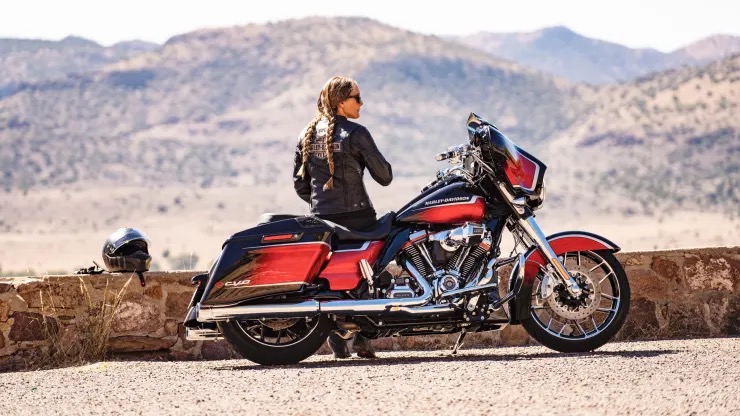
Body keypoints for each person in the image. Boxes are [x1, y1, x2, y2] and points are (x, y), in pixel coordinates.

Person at [293, 76, 393, 359]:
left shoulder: (306, 134)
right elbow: (384, 177)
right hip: (360, 218)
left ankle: (338, 332)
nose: (362, 103)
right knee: (376, 275)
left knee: (334, 278)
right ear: (341, 103)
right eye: (357, 98)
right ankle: (361, 335)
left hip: (323, 221)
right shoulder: (356, 133)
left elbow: (301, 185)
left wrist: (323, 206)